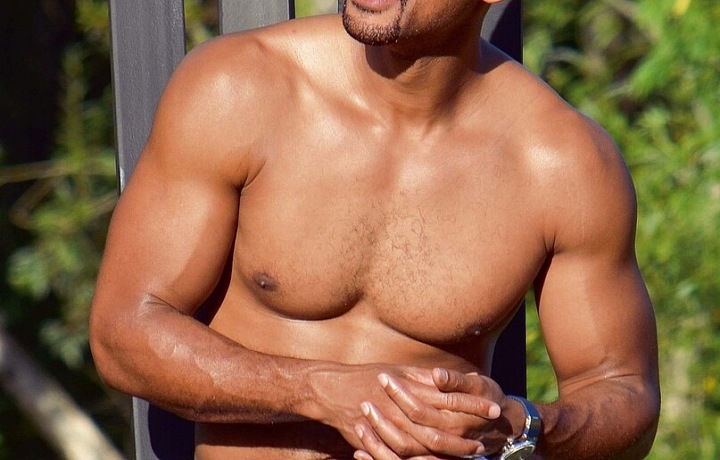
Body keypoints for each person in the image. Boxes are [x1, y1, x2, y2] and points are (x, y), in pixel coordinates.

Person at [89, 0, 660, 459]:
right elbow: (123, 331)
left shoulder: (564, 165)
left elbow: (624, 392)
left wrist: (519, 427)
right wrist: (319, 390)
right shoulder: (239, 89)